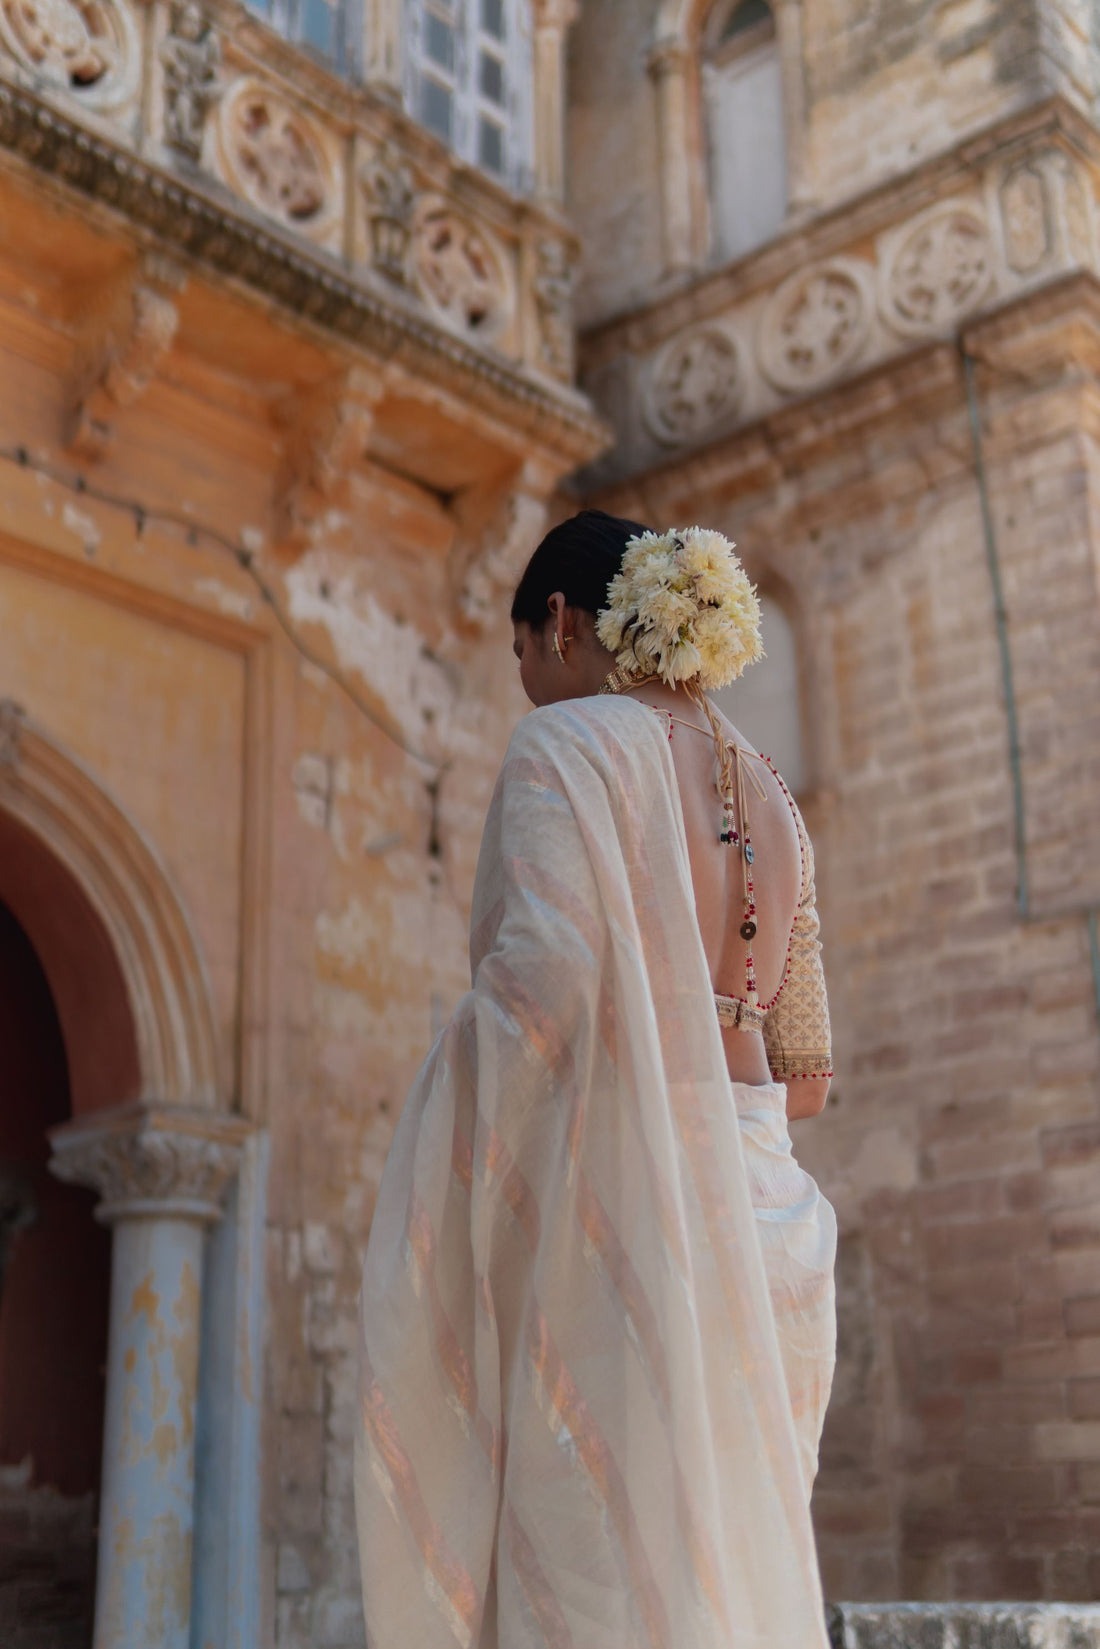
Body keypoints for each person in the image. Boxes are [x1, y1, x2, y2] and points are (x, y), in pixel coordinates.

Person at [355, 510, 837, 1649]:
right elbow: (806, 1070)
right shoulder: (772, 796)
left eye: (523, 657)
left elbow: (545, 989)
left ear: (562, 624)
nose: (530, 685)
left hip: (624, 1209)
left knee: (593, 1593)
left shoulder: (566, 747)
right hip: (767, 1227)